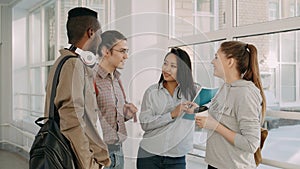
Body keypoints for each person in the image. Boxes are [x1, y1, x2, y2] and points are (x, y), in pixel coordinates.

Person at [44, 7, 111, 169]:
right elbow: (72, 121)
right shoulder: (73, 64)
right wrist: (90, 165)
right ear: (91, 32)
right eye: (99, 34)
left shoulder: (62, 61)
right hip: (77, 161)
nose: (100, 39)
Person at [195, 41, 266, 169]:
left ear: (230, 62)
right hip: (214, 164)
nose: (212, 61)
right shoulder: (224, 88)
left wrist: (215, 126)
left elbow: (251, 144)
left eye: (216, 57)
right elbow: (224, 120)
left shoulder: (245, 93)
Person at [137, 47, 199, 169]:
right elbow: (145, 122)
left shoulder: (194, 93)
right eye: (165, 63)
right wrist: (171, 114)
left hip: (177, 158)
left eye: (173, 66)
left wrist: (197, 111)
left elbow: (204, 120)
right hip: (149, 155)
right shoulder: (151, 92)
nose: (166, 69)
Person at [94, 30, 138, 169]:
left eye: (127, 51)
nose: (126, 56)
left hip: (118, 150)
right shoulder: (90, 78)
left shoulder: (117, 79)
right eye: (122, 51)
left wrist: (126, 115)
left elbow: (107, 113)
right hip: (99, 153)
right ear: (106, 51)